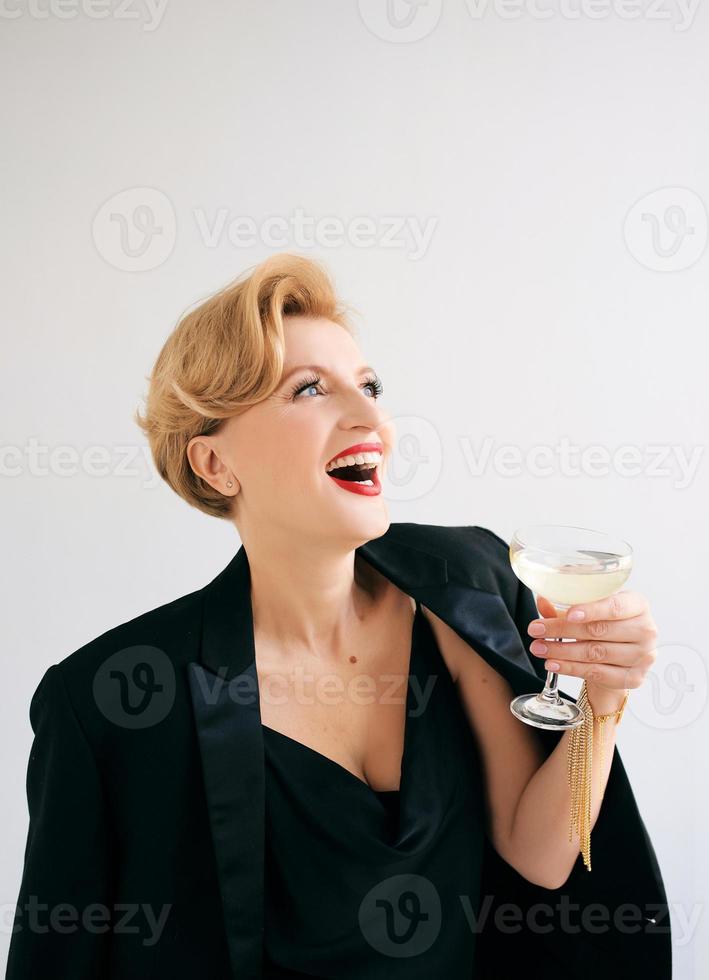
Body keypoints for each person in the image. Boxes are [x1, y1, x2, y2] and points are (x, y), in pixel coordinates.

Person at [7, 254, 671, 979]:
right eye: (310, 390)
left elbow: (540, 856)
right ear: (214, 465)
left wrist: (602, 700)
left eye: (369, 387)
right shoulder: (106, 701)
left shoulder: (465, 588)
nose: (370, 420)